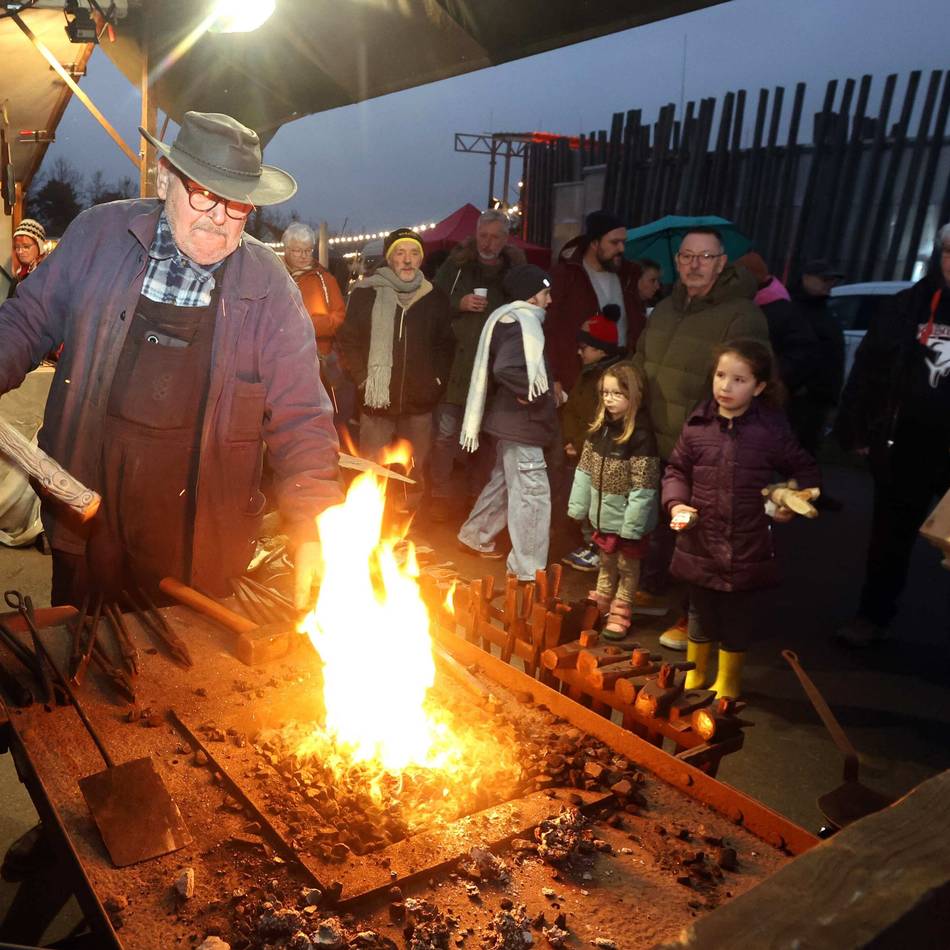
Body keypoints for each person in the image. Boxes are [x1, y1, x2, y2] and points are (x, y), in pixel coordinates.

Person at [0, 111, 341, 610]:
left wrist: (313, 526)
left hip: (200, 532)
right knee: (83, 646)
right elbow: (26, 320)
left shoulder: (269, 288)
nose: (218, 216)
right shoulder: (99, 237)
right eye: (203, 193)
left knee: (186, 658)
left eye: (236, 204)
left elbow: (303, 416)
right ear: (165, 180)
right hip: (87, 504)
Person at [634, 227, 770, 649]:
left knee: (700, 537)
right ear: (676, 262)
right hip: (658, 437)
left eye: (705, 257)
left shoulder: (741, 314)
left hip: (706, 445)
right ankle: (655, 587)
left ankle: (692, 617)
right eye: (687, 256)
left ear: (721, 262)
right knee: (662, 523)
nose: (694, 264)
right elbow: (642, 358)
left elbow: (746, 380)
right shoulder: (665, 308)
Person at [662, 340, 820, 698]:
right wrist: (676, 504)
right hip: (700, 539)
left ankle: (728, 681)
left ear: (759, 387)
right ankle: (695, 674)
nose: (725, 386)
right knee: (699, 611)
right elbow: (676, 470)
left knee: (736, 616)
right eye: (720, 375)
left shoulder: (770, 431)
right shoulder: (697, 424)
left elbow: (804, 469)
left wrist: (793, 498)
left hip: (746, 542)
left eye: (739, 379)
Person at [833, 224, 950, 647]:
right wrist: (857, 426)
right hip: (906, 443)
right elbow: (869, 368)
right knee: (889, 539)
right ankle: (872, 616)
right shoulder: (907, 305)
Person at [337, 227, 454, 506]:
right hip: (375, 402)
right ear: (389, 258)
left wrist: (435, 382)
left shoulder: (434, 297)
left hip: (419, 402)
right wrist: (362, 379)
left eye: (414, 253)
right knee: (372, 468)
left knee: (413, 471)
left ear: (421, 259)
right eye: (400, 253)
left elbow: (445, 345)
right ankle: (371, 521)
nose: (407, 260)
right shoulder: (365, 293)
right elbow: (348, 341)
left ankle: (405, 521)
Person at [457, 264, 557, 579]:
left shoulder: (508, 319)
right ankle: (528, 569)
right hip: (522, 424)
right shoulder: (522, 323)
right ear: (532, 296)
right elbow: (506, 368)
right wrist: (534, 393)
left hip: (509, 423)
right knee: (532, 494)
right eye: (545, 293)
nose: (549, 300)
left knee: (504, 484)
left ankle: (475, 535)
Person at [429, 209, 525, 521]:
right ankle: (440, 496)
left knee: (484, 439)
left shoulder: (514, 273)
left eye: (495, 237)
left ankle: (476, 498)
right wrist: (459, 303)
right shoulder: (457, 266)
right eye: (483, 235)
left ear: (506, 239)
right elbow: (432, 301)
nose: (488, 242)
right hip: (455, 366)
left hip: (493, 373)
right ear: (475, 234)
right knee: (445, 435)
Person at [568, 363, 659, 638]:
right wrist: (578, 506)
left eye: (617, 393)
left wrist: (633, 526)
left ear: (633, 396)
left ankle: (622, 606)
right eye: (605, 393)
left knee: (627, 566)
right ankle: (603, 598)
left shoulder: (640, 435)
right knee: (606, 560)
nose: (609, 399)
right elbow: (584, 470)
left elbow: (644, 487)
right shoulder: (599, 430)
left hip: (627, 519)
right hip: (604, 515)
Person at [545, 210, 645, 393]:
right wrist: (553, 376)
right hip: (576, 379)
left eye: (624, 242)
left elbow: (636, 326)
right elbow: (549, 328)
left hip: (620, 380)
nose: (621, 249)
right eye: (614, 242)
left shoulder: (629, 276)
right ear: (594, 243)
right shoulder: (566, 276)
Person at [559, 304, 624, 572]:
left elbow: (601, 421)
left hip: (597, 453)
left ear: (600, 350)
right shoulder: (587, 373)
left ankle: (599, 550)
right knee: (583, 500)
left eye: (584, 347)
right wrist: (570, 439)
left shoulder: (610, 381)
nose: (579, 352)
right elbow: (573, 409)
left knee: (599, 502)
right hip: (580, 449)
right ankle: (590, 544)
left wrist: (579, 443)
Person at [281, 222, 350, 427]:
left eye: (308, 250)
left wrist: (310, 326)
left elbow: (339, 316)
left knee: (320, 416)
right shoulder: (276, 277)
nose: (304, 256)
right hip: (283, 361)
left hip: (319, 361)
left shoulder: (324, 279)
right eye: (297, 250)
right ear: (286, 250)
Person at [735, 251, 821, 396]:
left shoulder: (781, 310)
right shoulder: (749, 305)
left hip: (765, 391)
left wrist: (767, 377)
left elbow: (803, 355)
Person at [788, 259, 846, 457]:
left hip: (818, 398)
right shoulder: (792, 310)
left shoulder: (824, 311)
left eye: (832, 280)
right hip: (799, 398)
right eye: (824, 279)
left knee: (806, 453)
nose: (830, 284)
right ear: (806, 278)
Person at [9, 219, 47, 296]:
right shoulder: (19, 275)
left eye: (26, 247)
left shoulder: (46, 276)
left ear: (39, 247)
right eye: (17, 247)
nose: (20, 251)